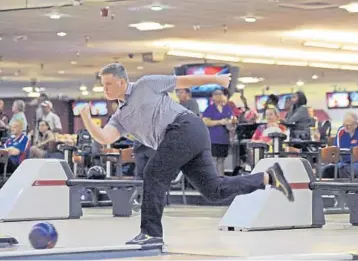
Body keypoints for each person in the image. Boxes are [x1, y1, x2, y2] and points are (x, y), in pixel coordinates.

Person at [79, 63, 294, 246]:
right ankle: (268, 177)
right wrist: (88, 120)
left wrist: (217, 79)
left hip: (185, 126)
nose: (104, 88)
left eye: (107, 83)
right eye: (102, 84)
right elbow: (106, 137)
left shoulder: (145, 84)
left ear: (121, 82)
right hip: (185, 136)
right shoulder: (120, 116)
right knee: (213, 190)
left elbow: (183, 81)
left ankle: (151, 233)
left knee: (154, 172)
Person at [202, 89, 234, 176]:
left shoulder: (227, 108)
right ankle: (212, 179)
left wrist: (231, 123)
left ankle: (220, 179)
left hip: (224, 139)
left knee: (221, 161)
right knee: (212, 160)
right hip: (213, 139)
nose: (218, 95)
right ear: (212, 97)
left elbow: (232, 120)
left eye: (220, 94)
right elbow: (205, 122)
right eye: (216, 94)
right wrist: (219, 122)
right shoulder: (210, 109)